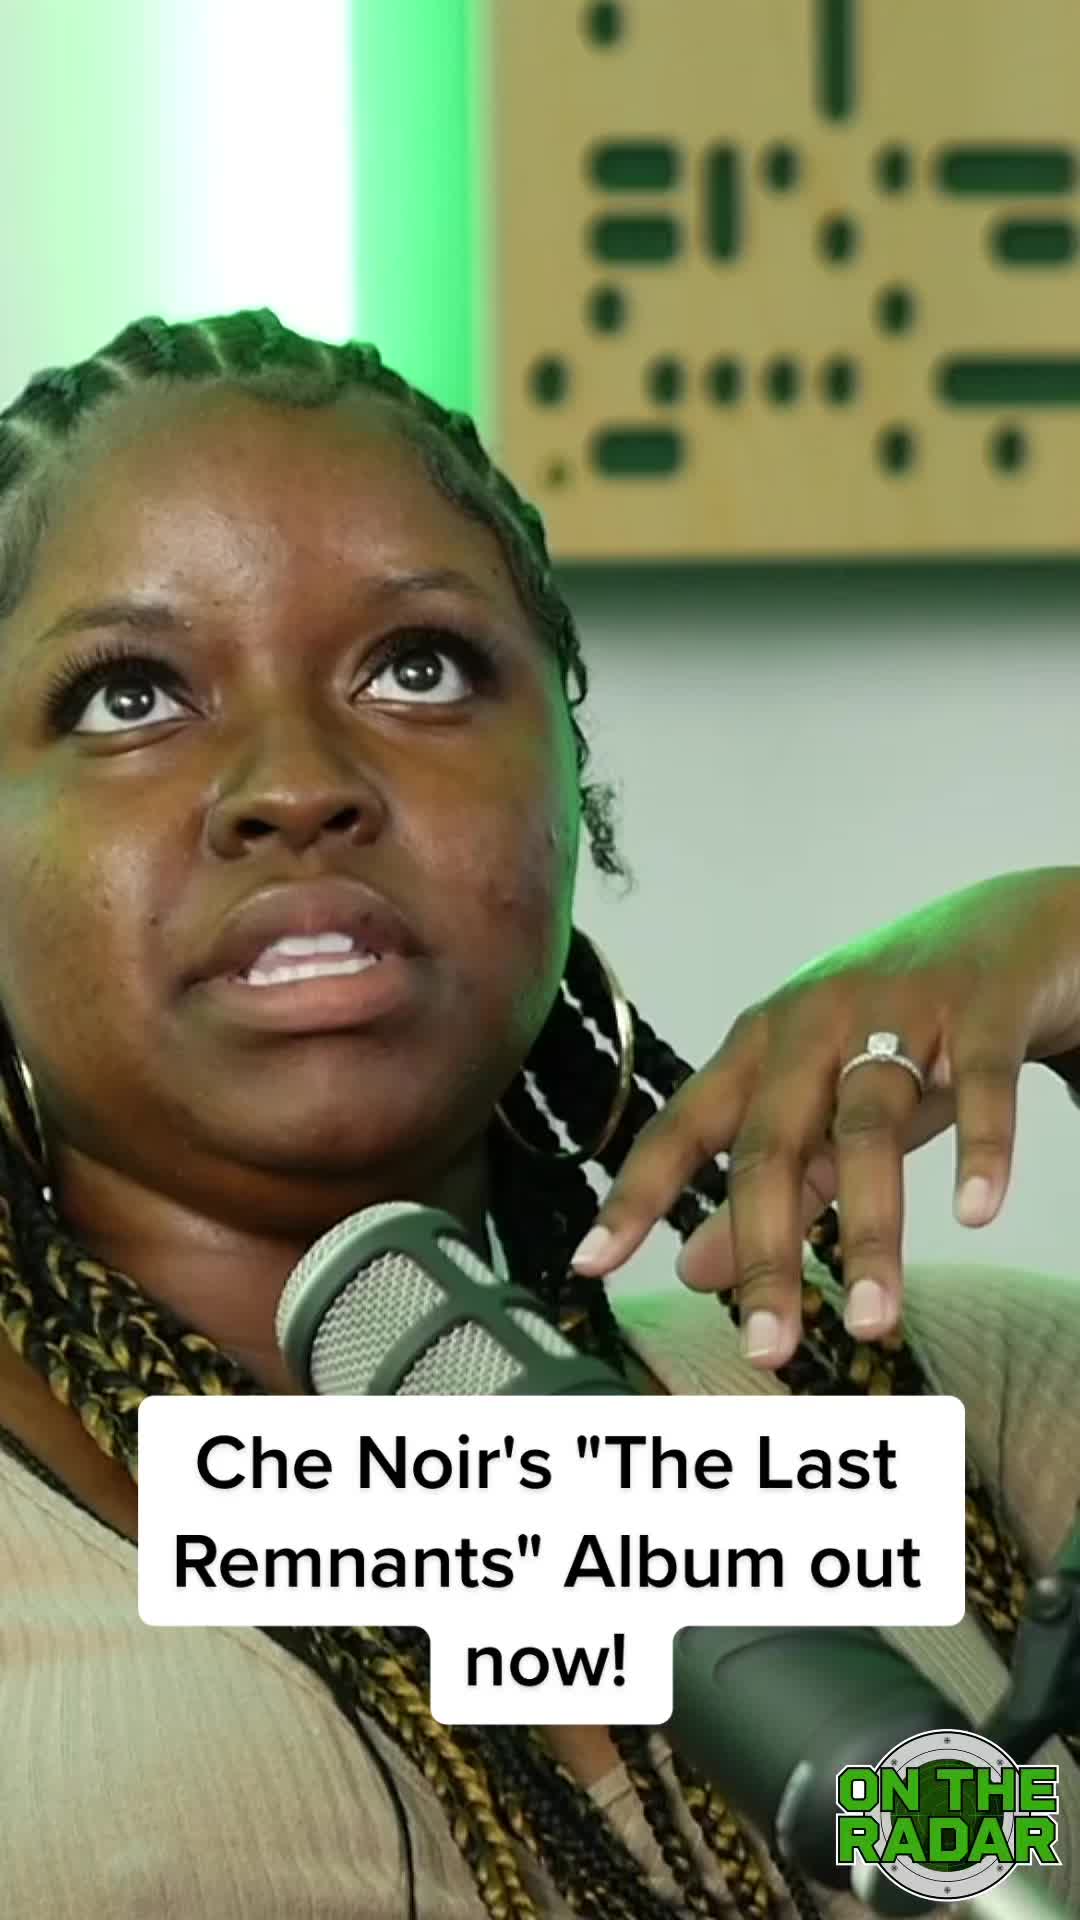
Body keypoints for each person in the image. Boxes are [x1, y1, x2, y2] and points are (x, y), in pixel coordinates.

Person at [0, 307, 1076, 1920]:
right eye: (128, 695)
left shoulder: (940, 1402)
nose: (296, 783)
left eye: (417, 667)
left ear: (573, 779)